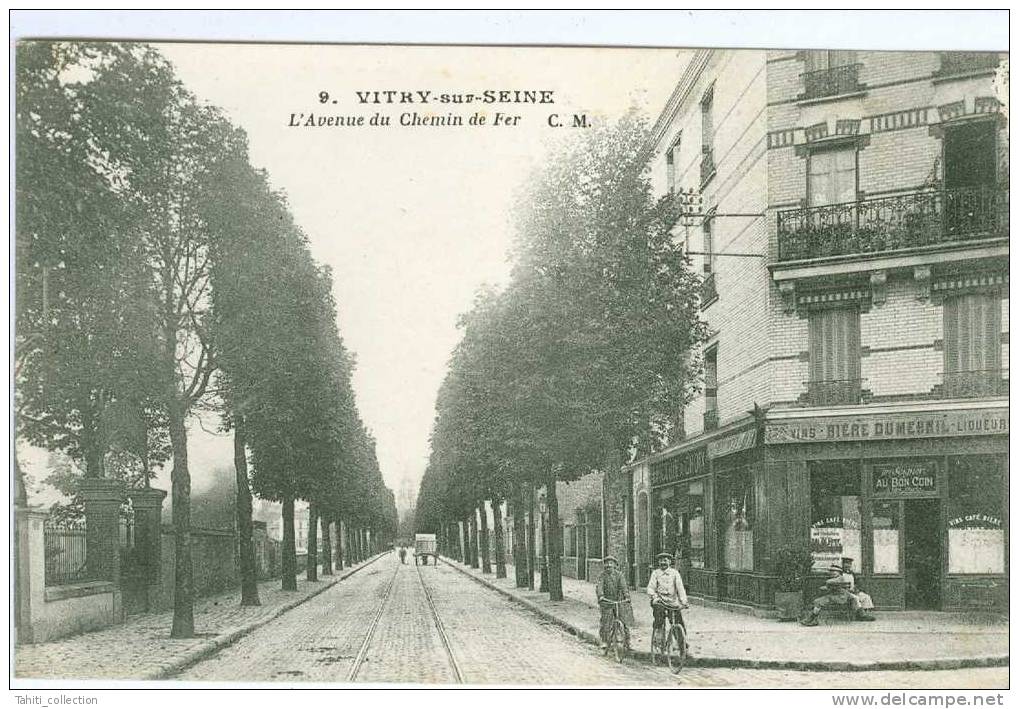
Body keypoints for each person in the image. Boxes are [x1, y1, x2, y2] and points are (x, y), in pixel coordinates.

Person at [646, 551, 688, 647]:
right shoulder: (655, 573)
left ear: (669, 562)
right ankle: (658, 637)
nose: (663, 563)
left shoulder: (674, 573)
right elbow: (650, 588)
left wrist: (684, 601)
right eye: (661, 561)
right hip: (659, 600)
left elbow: (680, 588)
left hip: (672, 601)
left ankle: (682, 642)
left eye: (665, 561)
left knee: (678, 621)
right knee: (659, 616)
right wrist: (654, 597)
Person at [595, 555, 631, 651]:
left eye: (611, 563)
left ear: (615, 565)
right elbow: (599, 587)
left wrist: (626, 596)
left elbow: (624, 587)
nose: (609, 565)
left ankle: (627, 642)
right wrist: (601, 596)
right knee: (606, 622)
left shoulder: (619, 575)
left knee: (624, 622)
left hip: (618, 601)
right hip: (606, 602)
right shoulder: (602, 576)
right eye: (607, 563)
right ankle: (604, 641)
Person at [840, 557, 875, 621]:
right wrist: (847, 589)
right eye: (846, 564)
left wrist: (856, 589)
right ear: (843, 564)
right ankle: (862, 615)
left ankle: (863, 613)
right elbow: (839, 585)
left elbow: (856, 583)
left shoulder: (852, 573)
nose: (848, 565)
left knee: (865, 597)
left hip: (853, 591)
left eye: (849, 564)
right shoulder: (840, 573)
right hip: (844, 592)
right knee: (856, 598)